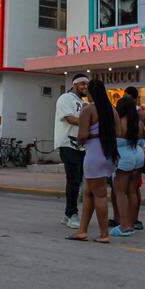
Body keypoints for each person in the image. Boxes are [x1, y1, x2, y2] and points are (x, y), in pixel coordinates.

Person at [68, 78, 117, 243]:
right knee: (89, 193)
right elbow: (120, 130)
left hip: (93, 154)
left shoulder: (88, 109)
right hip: (107, 154)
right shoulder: (111, 109)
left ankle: (104, 234)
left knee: (100, 195)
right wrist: (102, 133)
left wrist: (88, 137)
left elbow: (81, 135)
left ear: (91, 93)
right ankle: (82, 231)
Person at [54, 74, 87, 229]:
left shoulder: (82, 102)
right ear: (75, 84)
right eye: (82, 84)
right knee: (74, 179)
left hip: (80, 145)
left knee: (77, 180)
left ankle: (68, 214)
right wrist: (91, 121)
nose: (85, 87)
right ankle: (73, 214)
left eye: (87, 84)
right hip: (68, 143)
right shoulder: (65, 98)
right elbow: (70, 119)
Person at [111, 95, 143, 237]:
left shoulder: (118, 122)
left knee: (120, 192)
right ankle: (132, 222)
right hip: (138, 155)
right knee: (132, 191)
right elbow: (142, 142)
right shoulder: (138, 123)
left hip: (124, 157)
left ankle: (124, 226)